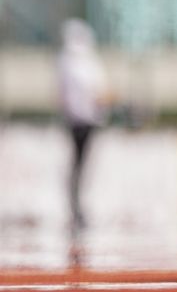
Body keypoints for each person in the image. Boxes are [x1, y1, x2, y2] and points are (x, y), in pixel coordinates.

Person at [57, 18, 106, 233]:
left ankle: (77, 208)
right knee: (79, 166)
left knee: (80, 166)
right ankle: (76, 208)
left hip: (83, 120)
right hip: (81, 121)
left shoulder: (73, 61)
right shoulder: (73, 62)